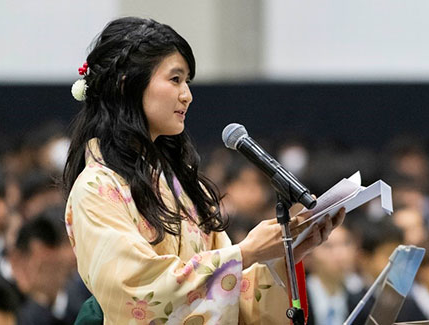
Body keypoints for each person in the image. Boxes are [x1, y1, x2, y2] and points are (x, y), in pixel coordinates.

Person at [62, 16, 345, 324]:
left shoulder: (178, 181)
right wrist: (245, 253)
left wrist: (282, 254)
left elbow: (232, 293)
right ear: (126, 83)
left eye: (187, 82)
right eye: (175, 79)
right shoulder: (96, 188)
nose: (187, 95)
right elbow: (137, 291)